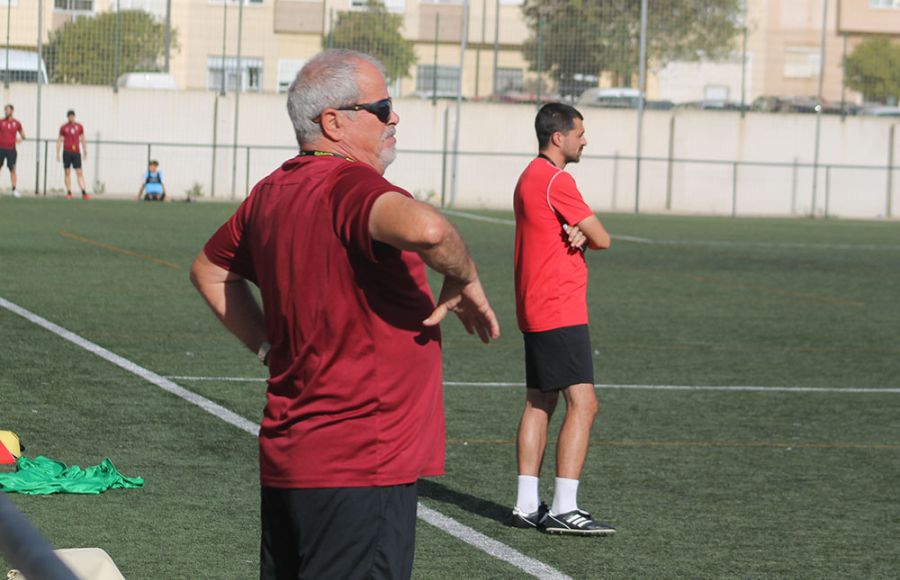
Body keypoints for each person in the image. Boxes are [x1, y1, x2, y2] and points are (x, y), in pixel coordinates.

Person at [190, 49, 500, 580]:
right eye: (381, 106)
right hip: (361, 462)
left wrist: (267, 347)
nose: (394, 116)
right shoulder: (350, 185)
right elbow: (428, 229)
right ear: (333, 122)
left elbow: (209, 270)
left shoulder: (270, 192)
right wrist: (466, 274)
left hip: (294, 457)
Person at [511, 102, 615, 536]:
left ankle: (526, 504)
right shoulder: (557, 179)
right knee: (584, 404)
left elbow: (576, 233)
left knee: (541, 401)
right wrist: (585, 233)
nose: (584, 140)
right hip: (559, 308)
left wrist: (577, 232)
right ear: (559, 137)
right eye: (580, 133)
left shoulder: (528, 178)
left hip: (535, 306)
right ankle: (564, 508)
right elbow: (604, 238)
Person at [56, 110, 89, 199]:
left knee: (79, 172)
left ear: (74, 116)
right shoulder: (63, 127)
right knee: (67, 172)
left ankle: (84, 192)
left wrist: (85, 150)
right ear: (68, 117)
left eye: (72, 116)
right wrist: (57, 153)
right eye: (69, 116)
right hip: (66, 152)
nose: (71, 118)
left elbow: (82, 139)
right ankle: (69, 192)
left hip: (76, 152)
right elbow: (59, 140)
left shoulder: (79, 127)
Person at [0, 104, 26, 198]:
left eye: (7, 110)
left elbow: (23, 135)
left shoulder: (17, 123)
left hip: (11, 150)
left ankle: (14, 189)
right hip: (1, 149)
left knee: (12, 169)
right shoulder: (1, 121)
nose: (6, 111)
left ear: (12, 111)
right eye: (5, 110)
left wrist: (20, 139)